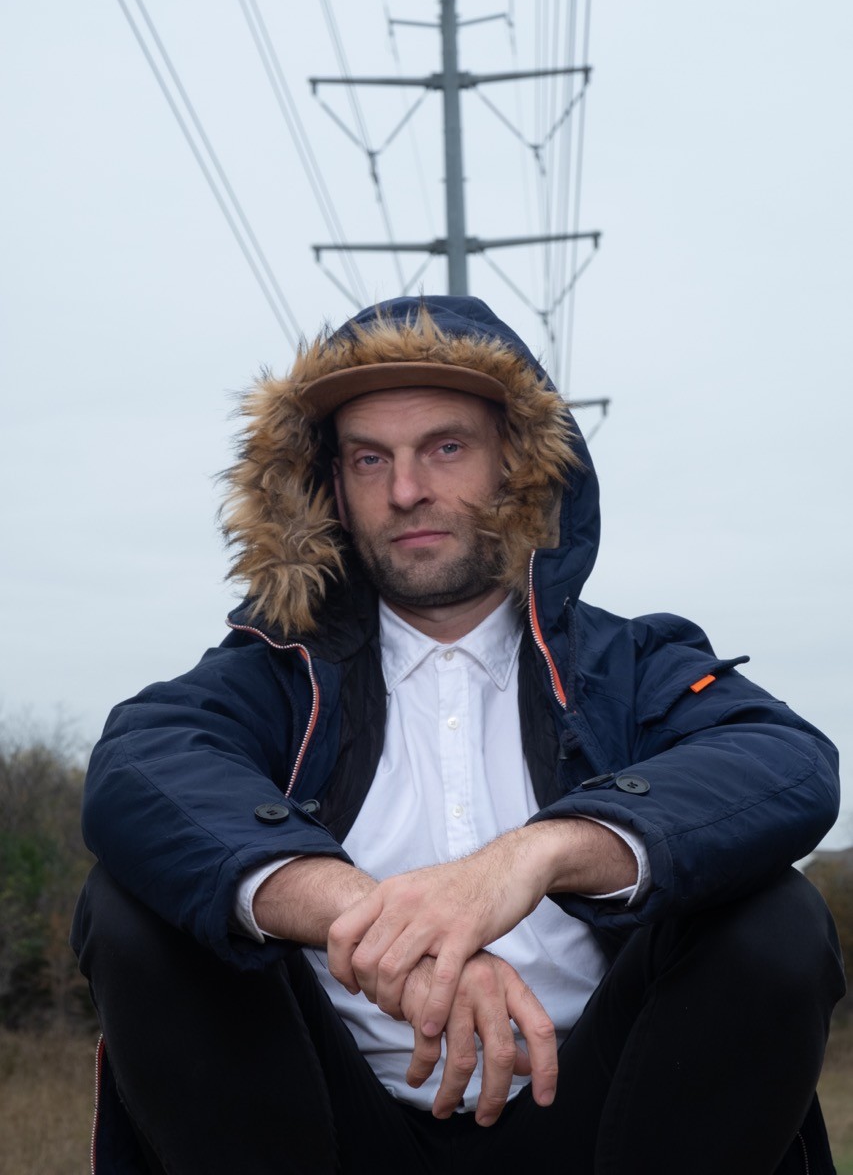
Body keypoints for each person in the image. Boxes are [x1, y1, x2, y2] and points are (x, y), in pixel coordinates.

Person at [73, 295, 844, 1174]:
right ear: (328, 488)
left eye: (445, 447)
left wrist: (526, 860)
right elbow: (140, 768)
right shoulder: (270, 673)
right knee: (131, 905)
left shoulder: (630, 664)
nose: (406, 491)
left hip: (601, 1115)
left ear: (518, 463)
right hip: (322, 1125)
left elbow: (781, 761)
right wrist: (389, 933)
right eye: (371, 459)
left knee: (776, 916)